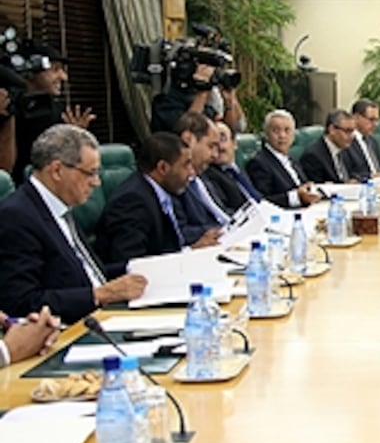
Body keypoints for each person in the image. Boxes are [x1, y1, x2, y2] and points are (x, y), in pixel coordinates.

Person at [0, 124, 146, 324]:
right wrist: (99, 295)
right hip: (68, 331)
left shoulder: (60, 206)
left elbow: (85, 275)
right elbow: (22, 302)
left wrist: (137, 268)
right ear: (57, 170)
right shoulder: (17, 216)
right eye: (91, 173)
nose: (97, 183)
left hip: (104, 316)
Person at [95, 132, 218, 265]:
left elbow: (167, 248)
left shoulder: (162, 191)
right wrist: (191, 252)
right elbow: (132, 264)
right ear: (163, 168)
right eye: (186, 164)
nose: (191, 172)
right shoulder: (133, 201)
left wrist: (194, 249)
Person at [11, 42, 95, 185]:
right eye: (55, 69)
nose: (64, 77)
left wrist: (75, 137)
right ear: (31, 70)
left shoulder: (61, 112)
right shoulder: (10, 108)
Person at [245, 109, 322, 209]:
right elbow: (262, 201)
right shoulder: (259, 163)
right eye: (276, 131)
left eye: (287, 130)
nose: (282, 135)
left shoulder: (292, 160)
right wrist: (297, 197)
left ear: (293, 135)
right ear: (266, 134)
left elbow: (303, 187)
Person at [174, 112, 229, 242]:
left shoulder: (203, 176)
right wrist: (221, 230)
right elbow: (179, 231)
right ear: (188, 140)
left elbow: (221, 212)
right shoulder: (173, 181)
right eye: (211, 146)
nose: (215, 155)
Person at [150, 61, 245, 134]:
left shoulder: (209, 98)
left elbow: (232, 130)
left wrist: (230, 101)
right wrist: (202, 89)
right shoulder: (167, 101)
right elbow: (189, 132)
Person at [202, 119, 260, 212]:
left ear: (234, 143)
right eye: (214, 143)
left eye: (222, 139)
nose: (219, 147)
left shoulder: (238, 170)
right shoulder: (210, 175)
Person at [300, 109, 358, 184]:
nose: (352, 136)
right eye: (347, 131)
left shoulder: (345, 148)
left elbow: (357, 172)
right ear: (332, 129)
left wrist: (356, 180)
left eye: (353, 131)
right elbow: (317, 189)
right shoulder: (313, 156)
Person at [346, 99, 380, 179]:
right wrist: (370, 176)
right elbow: (347, 173)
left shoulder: (372, 140)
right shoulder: (346, 142)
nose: (375, 124)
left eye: (377, 120)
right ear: (356, 118)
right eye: (371, 120)